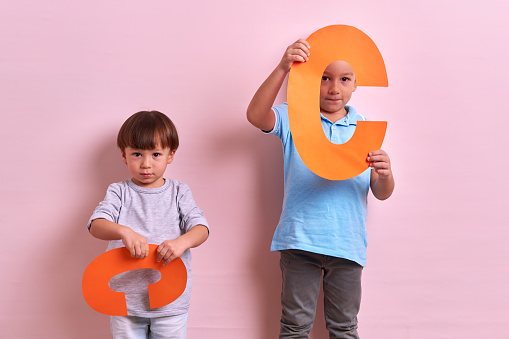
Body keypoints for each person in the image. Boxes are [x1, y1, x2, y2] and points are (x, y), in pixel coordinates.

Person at [246, 39, 395, 338]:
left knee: (344, 327)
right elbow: (256, 116)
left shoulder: (363, 127)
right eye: (324, 77)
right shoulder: (294, 117)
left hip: (347, 245)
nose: (333, 88)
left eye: (344, 79)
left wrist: (386, 173)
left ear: (355, 85)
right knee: (294, 326)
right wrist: (282, 67)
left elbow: (380, 191)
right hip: (300, 240)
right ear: (310, 79)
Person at [87, 111, 209, 339]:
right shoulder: (119, 192)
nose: (146, 164)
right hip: (125, 300)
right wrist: (123, 231)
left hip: (170, 300)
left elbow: (201, 228)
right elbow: (96, 225)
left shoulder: (179, 191)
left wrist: (182, 242)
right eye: (136, 154)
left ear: (170, 155)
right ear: (123, 155)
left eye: (155, 154)